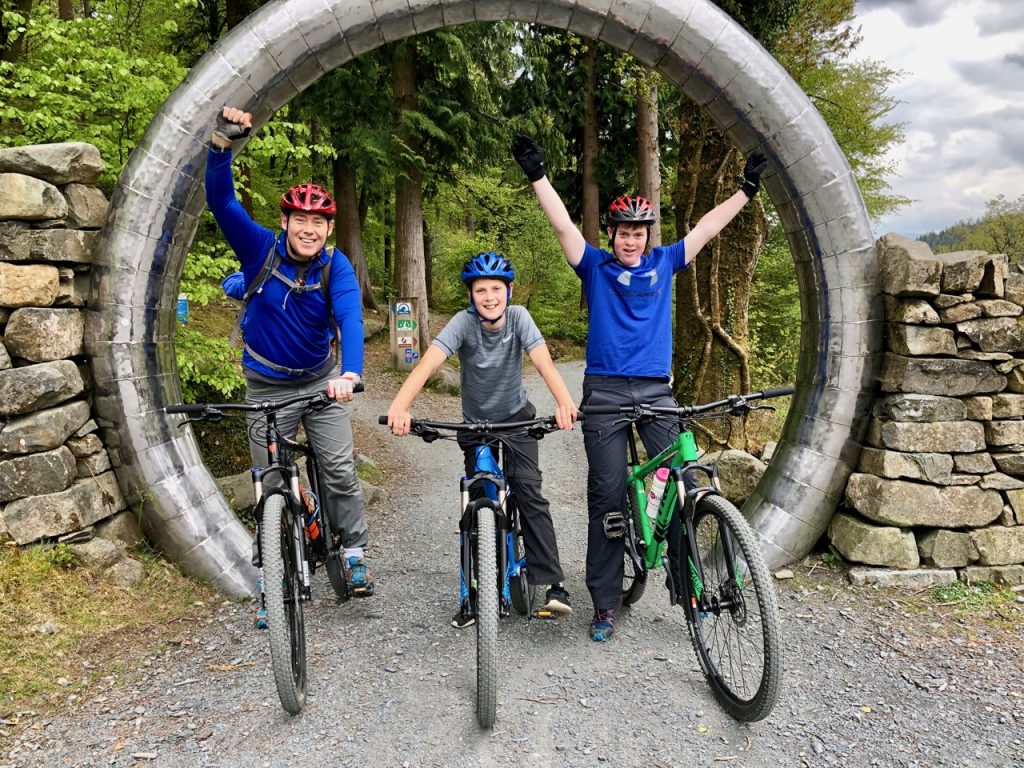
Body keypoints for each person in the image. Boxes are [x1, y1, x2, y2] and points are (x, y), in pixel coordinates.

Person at [511, 134, 767, 642]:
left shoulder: (666, 262)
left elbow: (708, 227)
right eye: (623, 232)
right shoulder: (595, 267)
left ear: (649, 236)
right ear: (611, 234)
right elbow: (562, 223)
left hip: (656, 393)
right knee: (606, 496)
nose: (631, 241)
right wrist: (538, 175)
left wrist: (747, 190)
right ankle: (604, 604)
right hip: (604, 393)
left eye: (639, 233)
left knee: (683, 483)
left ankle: (684, 581)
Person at [206, 106, 374, 605]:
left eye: (318, 221)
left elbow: (350, 319)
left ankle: (355, 554)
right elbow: (222, 202)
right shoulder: (260, 248)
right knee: (270, 482)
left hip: (321, 385)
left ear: (328, 228)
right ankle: (275, 575)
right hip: (265, 387)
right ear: (285, 222)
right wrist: (222, 144)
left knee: (341, 469)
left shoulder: (335, 265)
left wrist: (351, 371)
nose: (309, 228)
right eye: (300, 219)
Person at [386, 252, 578, 628]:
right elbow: (428, 364)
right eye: (480, 290)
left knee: (528, 491)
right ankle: (472, 593)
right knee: (477, 500)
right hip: (476, 424)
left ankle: (554, 583)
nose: (489, 296)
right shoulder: (463, 324)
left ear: (509, 290)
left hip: (517, 417)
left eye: (495, 289)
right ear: (471, 295)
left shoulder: (519, 317)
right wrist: (399, 408)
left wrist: (565, 403)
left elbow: (544, 363)